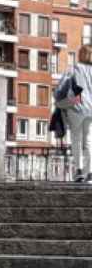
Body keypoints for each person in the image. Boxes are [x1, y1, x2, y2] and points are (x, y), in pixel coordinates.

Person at [58, 45, 92, 182]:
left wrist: (61, 103)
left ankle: (78, 171)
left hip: (76, 107)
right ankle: (90, 172)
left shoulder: (74, 69)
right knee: (89, 140)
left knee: (76, 139)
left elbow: (61, 88)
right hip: (91, 109)